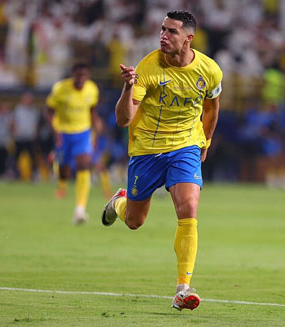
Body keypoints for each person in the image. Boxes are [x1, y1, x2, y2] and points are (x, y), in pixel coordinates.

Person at [101, 11, 222, 311]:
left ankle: (183, 288)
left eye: (171, 31)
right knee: (134, 221)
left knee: (189, 207)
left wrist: (205, 140)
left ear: (188, 38)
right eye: (162, 29)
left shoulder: (210, 70)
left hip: (185, 146)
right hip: (146, 150)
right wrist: (128, 86)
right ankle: (120, 201)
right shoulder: (149, 68)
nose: (163, 36)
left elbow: (212, 106)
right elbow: (122, 119)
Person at [45, 62, 100, 224]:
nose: (81, 79)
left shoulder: (92, 89)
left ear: (88, 76)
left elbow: (92, 110)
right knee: (64, 173)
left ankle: (80, 209)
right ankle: (59, 172)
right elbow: (48, 110)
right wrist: (55, 130)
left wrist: (95, 131)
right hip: (63, 134)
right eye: (78, 75)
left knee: (84, 165)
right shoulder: (60, 89)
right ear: (73, 75)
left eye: (84, 75)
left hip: (83, 133)